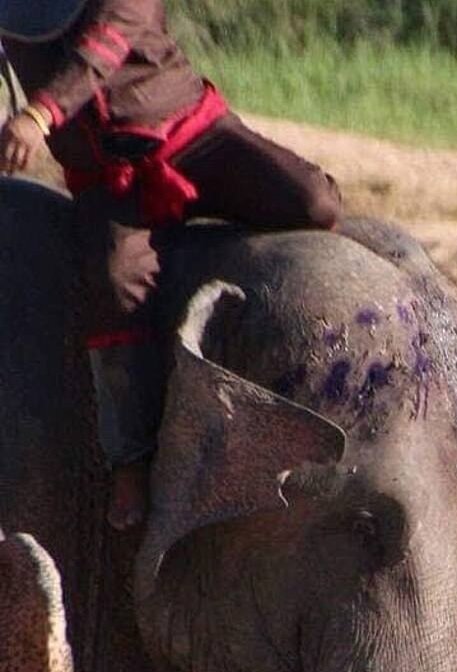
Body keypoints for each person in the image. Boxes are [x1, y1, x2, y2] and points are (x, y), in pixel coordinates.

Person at [0, 1, 342, 529]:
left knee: (314, 202)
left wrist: (39, 113)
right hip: (108, 178)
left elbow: (105, 44)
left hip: (189, 134)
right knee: (114, 289)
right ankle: (130, 461)